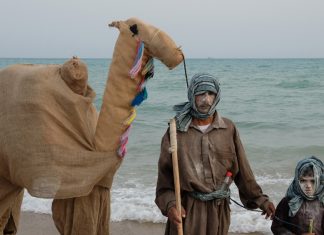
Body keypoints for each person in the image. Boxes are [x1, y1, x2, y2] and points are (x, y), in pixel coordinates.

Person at [155, 73, 276, 235]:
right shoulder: (175, 131)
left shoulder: (228, 129)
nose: (206, 99)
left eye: (210, 93)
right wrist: (170, 205)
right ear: (192, 95)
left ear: (217, 96)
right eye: (201, 93)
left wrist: (261, 200)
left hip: (219, 210)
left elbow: (243, 173)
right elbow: (164, 182)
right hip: (188, 210)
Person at [271, 156, 324, 235]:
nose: (308, 185)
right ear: (297, 180)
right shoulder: (288, 201)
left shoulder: (322, 201)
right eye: (303, 181)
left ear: (319, 181)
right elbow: (276, 227)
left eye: (313, 181)